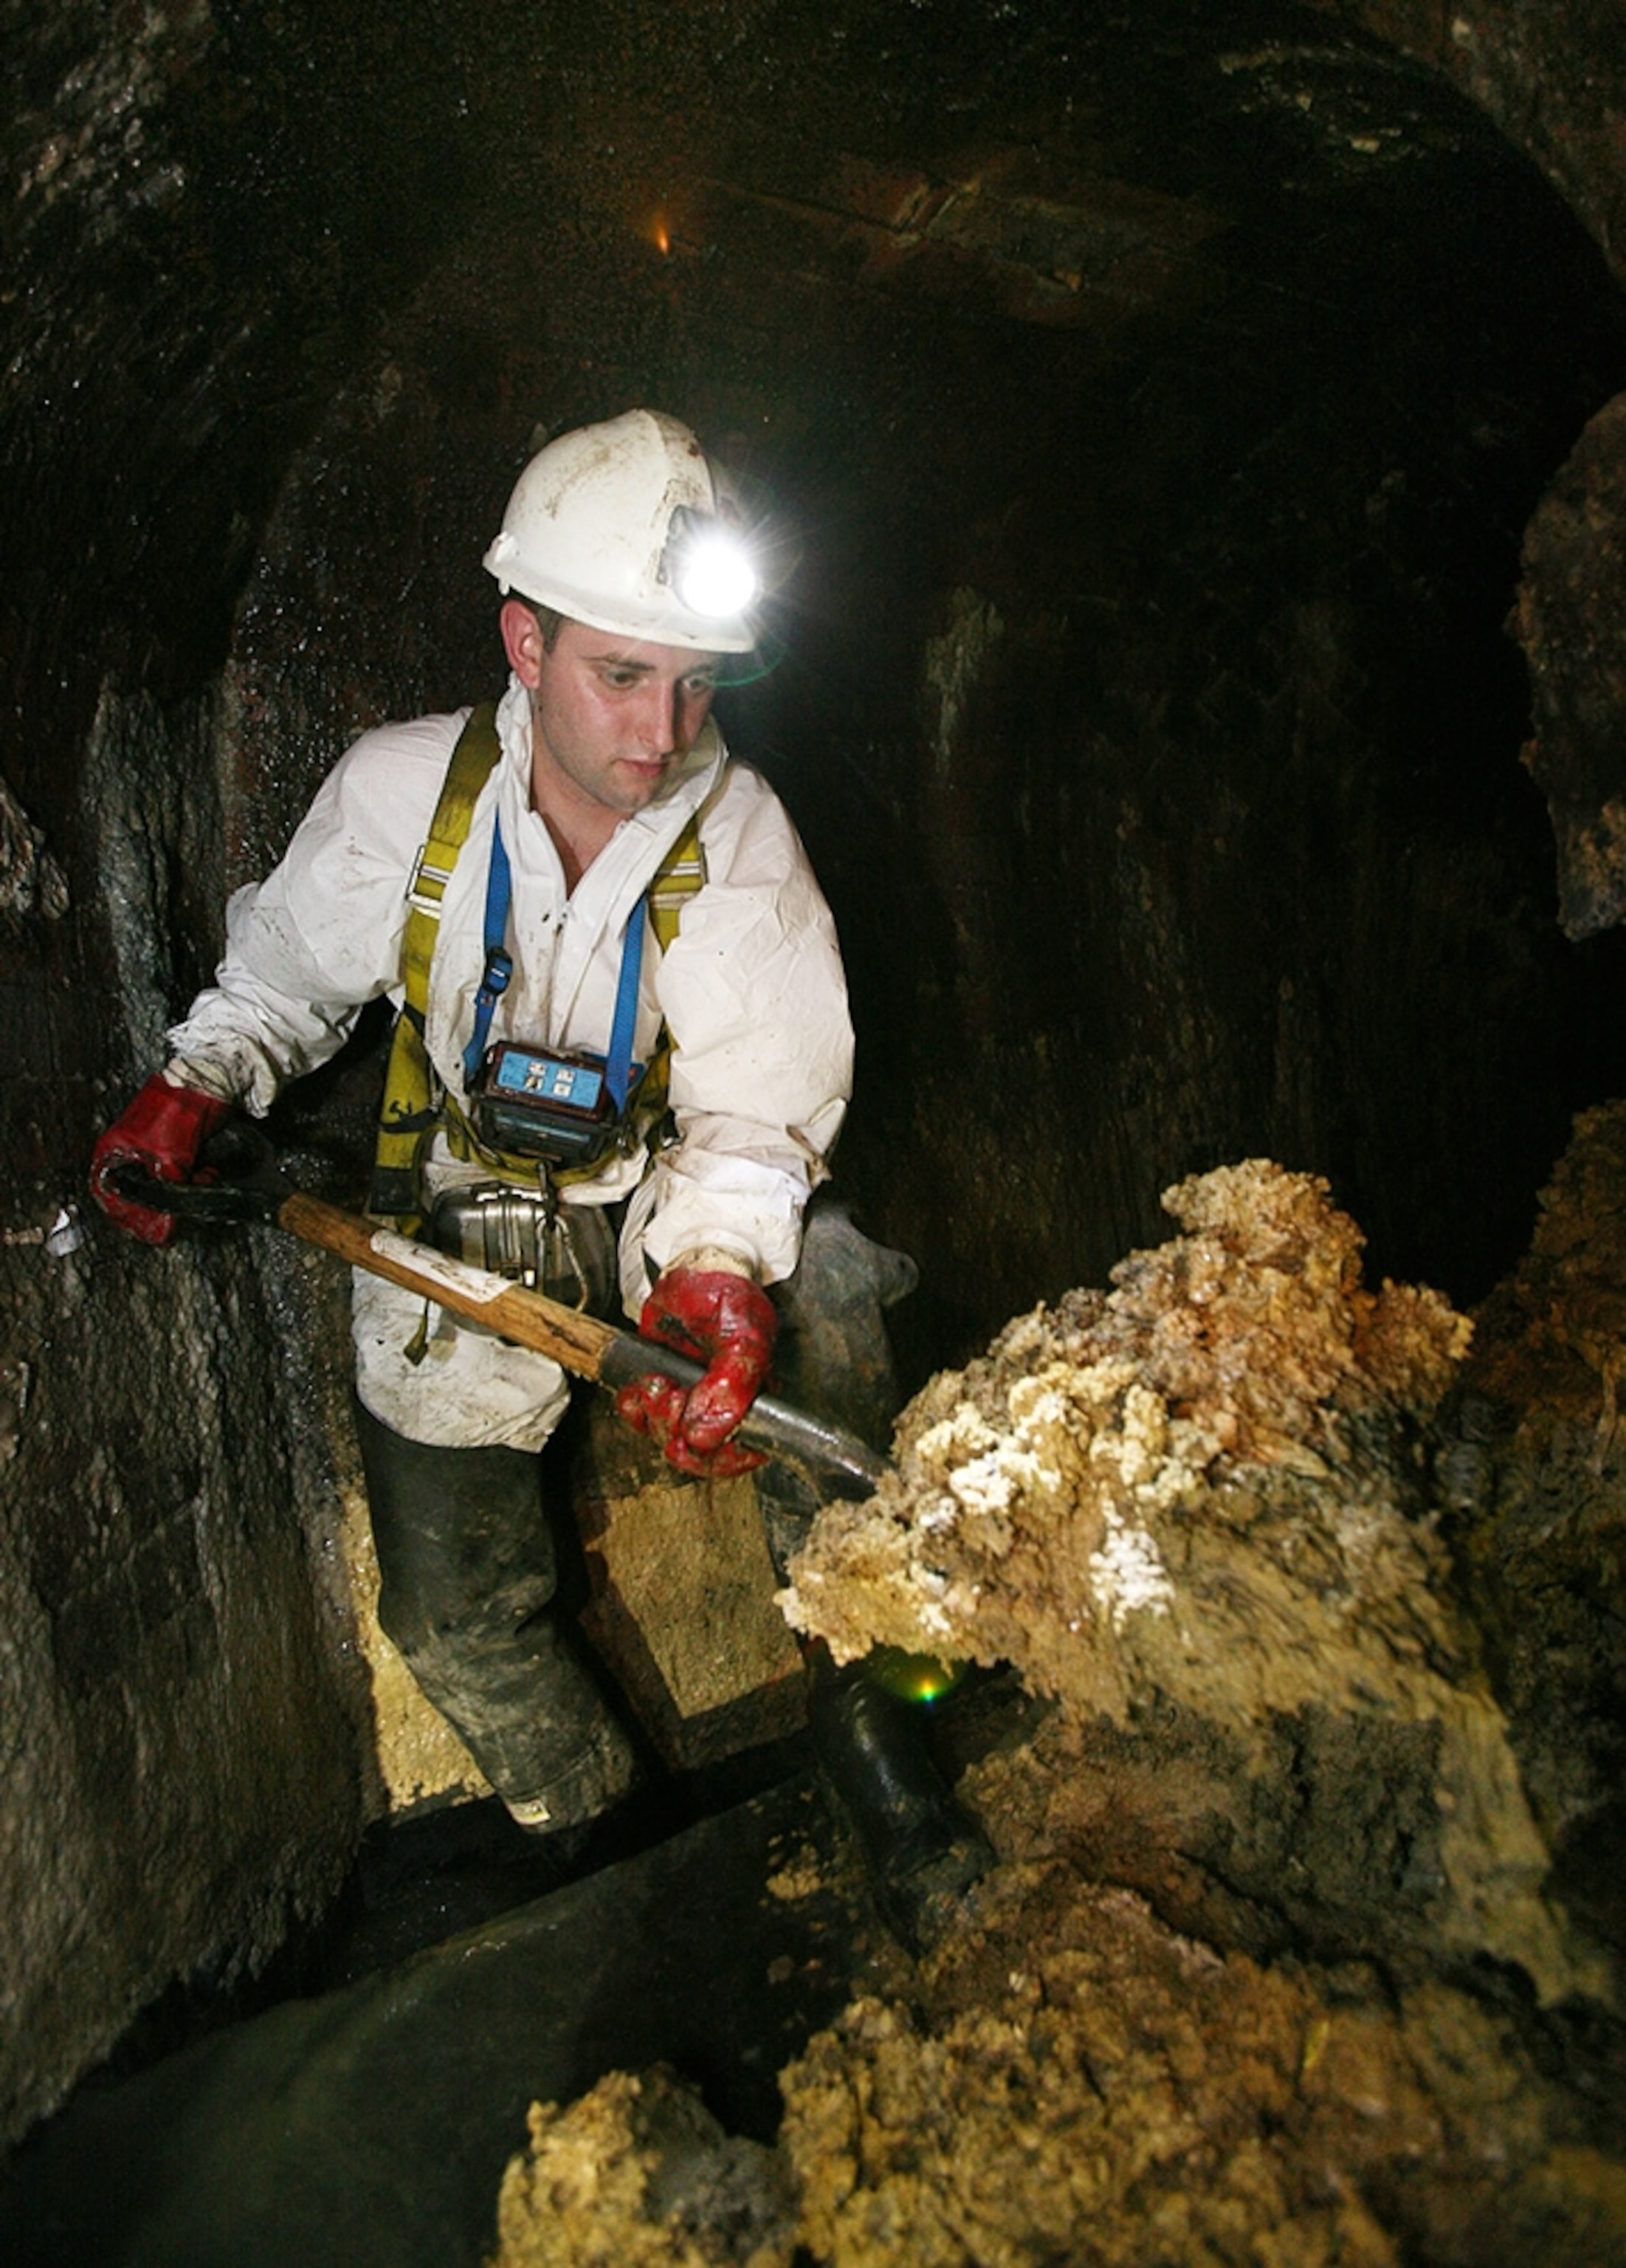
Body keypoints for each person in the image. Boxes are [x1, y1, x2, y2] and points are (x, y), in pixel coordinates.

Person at [89, 408, 990, 1951]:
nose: (661, 729)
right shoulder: (402, 797)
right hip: (462, 1207)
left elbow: (756, 1113)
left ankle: (887, 1775)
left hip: (663, 1196)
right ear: (524, 639)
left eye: (696, 681)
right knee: (447, 1608)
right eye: (620, 675)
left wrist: (713, 1275)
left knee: (828, 1292)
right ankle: (592, 1838)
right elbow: (287, 981)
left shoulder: (741, 837)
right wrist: (197, 1083)